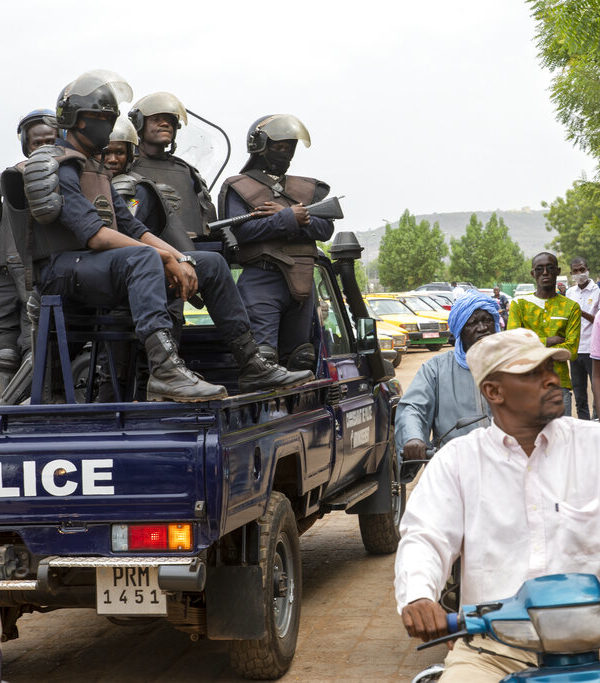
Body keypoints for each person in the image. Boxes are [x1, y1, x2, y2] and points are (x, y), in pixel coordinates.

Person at [0, 71, 312, 403]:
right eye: (102, 118)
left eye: (111, 118)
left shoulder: (96, 168)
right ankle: (166, 372)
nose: (108, 125)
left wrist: (181, 257)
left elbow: (133, 228)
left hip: (97, 267)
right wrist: (164, 257)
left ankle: (252, 365)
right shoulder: (61, 166)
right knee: (143, 257)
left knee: (210, 264)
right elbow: (95, 236)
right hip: (61, 272)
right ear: (77, 120)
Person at [396, 327, 600, 682]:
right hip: (493, 649)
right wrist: (419, 597)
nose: (553, 380)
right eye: (533, 374)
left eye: (551, 369)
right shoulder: (458, 461)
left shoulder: (593, 446)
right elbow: (425, 537)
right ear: (493, 391)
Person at [218, 114, 334, 368]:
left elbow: (326, 229)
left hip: (303, 279)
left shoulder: (306, 189)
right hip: (261, 278)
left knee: (301, 358)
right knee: (263, 359)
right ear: (260, 147)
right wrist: (287, 219)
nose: (285, 153)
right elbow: (242, 232)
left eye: (289, 147)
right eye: (278, 147)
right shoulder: (240, 187)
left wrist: (297, 219)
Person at [395, 290, 499, 466]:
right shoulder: (436, 369)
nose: (482, 328)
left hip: (507, 463)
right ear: (460, 331)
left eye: (487, 320)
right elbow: (413, 408)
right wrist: (413, 437)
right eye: (472, 323)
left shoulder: (513, 363)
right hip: (455, 465)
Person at [0, 109, 59, 391]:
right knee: (10, 352)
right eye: (38, 143)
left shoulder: (74, 179)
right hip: (17, 282)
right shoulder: (13, 182)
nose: (45, 148)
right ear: (27, 146)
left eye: (51, 141)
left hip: (55, 281)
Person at [128, 92, 216, 244]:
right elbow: (128, 210)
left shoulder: (187, 171)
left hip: (192, 247)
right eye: (156, 119)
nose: (165, 124)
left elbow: (207, 218)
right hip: (144, 247)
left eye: (170, 121)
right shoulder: (126, 166)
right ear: (139, 124)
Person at [507, 251, 580, 415]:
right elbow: (512, 344)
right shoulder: (519, 304)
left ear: (558, 271)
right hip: (525, 384)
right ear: (533, 273)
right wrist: (549, 341)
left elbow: (572, 351)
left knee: (560, 432)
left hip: (558, 385)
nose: (545, 272)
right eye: (539, 269)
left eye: (550, 268)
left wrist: (530, 347)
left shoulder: (571, 307)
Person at [565, 256, 600, 419]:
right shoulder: (570, 293)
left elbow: (598, 321)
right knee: (579, 394)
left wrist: (581, 312)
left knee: (596, 391)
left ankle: (596, 423)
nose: (579, 273)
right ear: (571, 273)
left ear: (588, 270)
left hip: (594, 350)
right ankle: (583, 424)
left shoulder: (597, 291)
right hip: (575, 349)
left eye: (582, 269)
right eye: (575, 271)